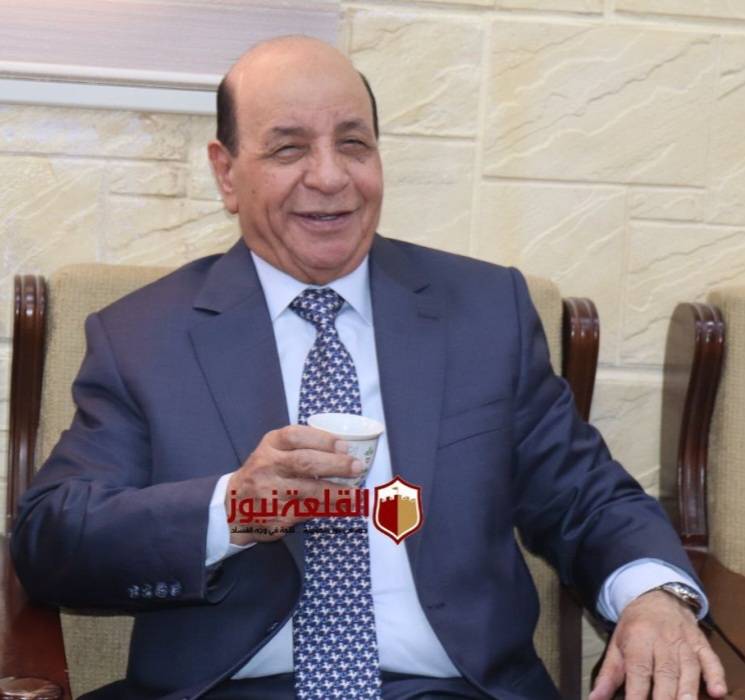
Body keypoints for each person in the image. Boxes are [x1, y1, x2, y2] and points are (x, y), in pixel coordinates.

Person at [11, 36, 727, 700]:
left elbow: (585, 498)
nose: (330, 177)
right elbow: (53, 541)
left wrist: (651, 598)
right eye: (289, 148)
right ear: (226, 173)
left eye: (353, 143)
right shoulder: (144, 335)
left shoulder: (485, 313)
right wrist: (232, 508)